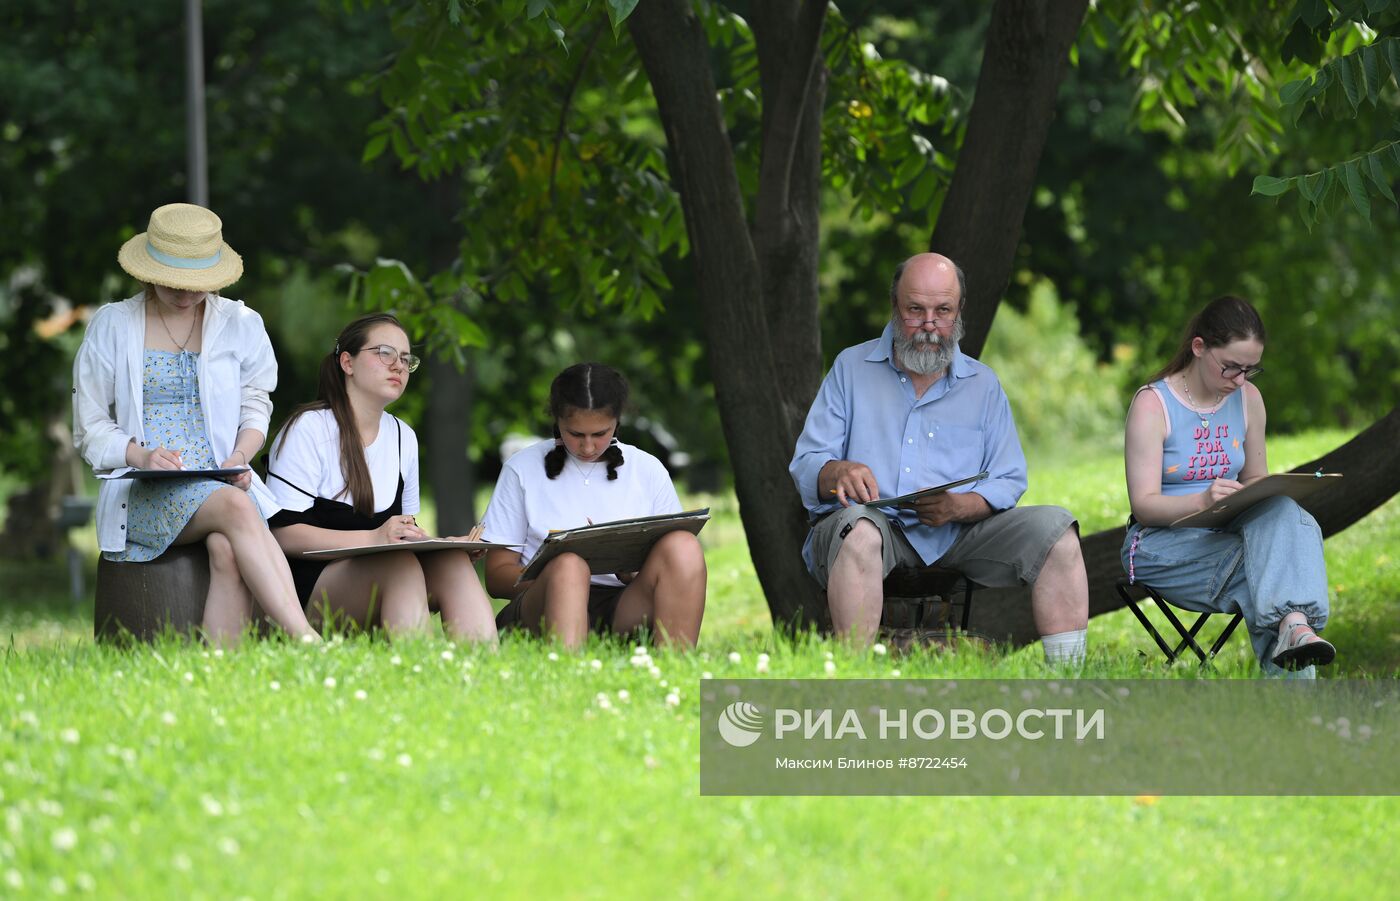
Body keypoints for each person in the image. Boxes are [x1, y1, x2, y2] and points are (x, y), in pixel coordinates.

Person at [789, 252, 1089, 663]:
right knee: (860, 532)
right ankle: (853, 678)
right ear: (895, 306)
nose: (929, 324)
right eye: (915, 310)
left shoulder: (982, 384)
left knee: (1058, 531)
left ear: (959, 310)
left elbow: (1009, 477)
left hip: (958, 534)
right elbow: (806, 464)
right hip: (874, 530)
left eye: (942, 310)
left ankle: (1069, 678)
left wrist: (960, 506)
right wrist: (835, 470)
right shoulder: (850, 367)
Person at [72, 202, 319, 644]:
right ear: (148, 272)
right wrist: (140, 454)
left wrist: (240, 458)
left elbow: (255, 403)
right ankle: (305, 640)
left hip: (223, 480)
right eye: (173, 283)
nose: (185, 294)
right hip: (146, 489)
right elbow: (89, 425)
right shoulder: (112, 325)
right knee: (238, 509)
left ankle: (219, 670)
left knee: (227, 545)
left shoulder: (240, 323)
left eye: (197, 284)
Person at [1122, 295, 1335, 675]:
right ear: (1199, 348)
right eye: (1231, 368)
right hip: (1162, 545)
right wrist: (1202, 499)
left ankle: (1294, 631)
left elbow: (1255, 481)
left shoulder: (1249, 399)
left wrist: (1258, 492)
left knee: (1285, 513)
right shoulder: (1153, 405)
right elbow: (1144, 506)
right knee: (1272, 572)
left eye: (1250, 370)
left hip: (1228, 531)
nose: (1239, 380)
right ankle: (1300, 696)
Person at [265, 313, 497, 643]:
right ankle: (413, 675)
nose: (398, 366)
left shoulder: (404, 437)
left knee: (452, 563)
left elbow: (401, 533)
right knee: (398, 564)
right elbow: (283, 537)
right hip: (306, 594)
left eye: (405, 359)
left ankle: (482, 678)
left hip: (386, 577)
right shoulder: (309, 428)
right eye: (385, 353)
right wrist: (374, 538)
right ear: (347, 362)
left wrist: (439, 545)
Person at [479, 363, 706, 649]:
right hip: (541, 607)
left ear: (617, 422)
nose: (588, 447)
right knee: (570, 565)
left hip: (623, 607)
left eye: (600, 434)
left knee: (684, 545)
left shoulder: (647, 469)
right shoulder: (522, 468)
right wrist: (563, 581)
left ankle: (675, 668)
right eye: (575, 434)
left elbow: (670, 568)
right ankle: (569, 674)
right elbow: (497, 577)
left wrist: (629, 568)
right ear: (557, 420)